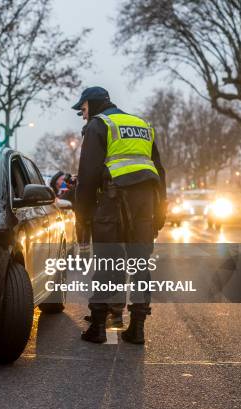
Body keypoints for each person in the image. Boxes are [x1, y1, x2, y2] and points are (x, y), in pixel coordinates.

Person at [72, 86, 166, 344]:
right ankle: (137, 328)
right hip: (145, 204)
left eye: (83, 109)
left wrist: (83, 214)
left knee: (107, 261)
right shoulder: (142, 124)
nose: (82, 115)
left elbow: (88, 177)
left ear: (91, 104)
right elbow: (160, 171)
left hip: (113, 203)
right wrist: (160, 211)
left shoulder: (98, 125)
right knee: (139, 264)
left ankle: (99, 326)